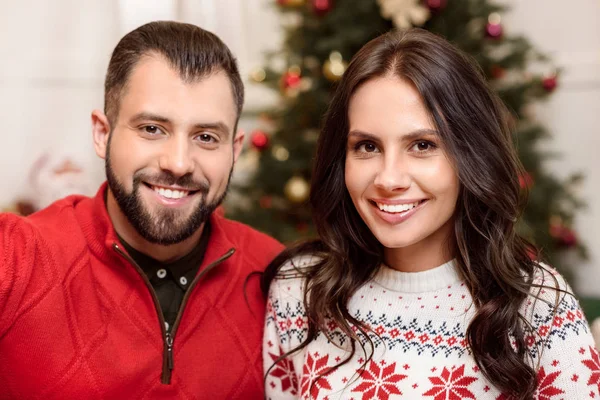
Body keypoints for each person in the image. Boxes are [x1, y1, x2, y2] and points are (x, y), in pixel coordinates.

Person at [263, 28, 599, 400]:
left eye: (422, 145)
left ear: (470, 154)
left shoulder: (538, 307)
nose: (389, 178)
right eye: (367, 146)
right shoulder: (298, 291)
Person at [0, 21, 282, 399]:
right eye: (152, 129)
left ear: (234, 150)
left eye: (205, 137)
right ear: (103, 133)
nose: (179, 163)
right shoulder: (16, 258)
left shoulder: (278, 277)